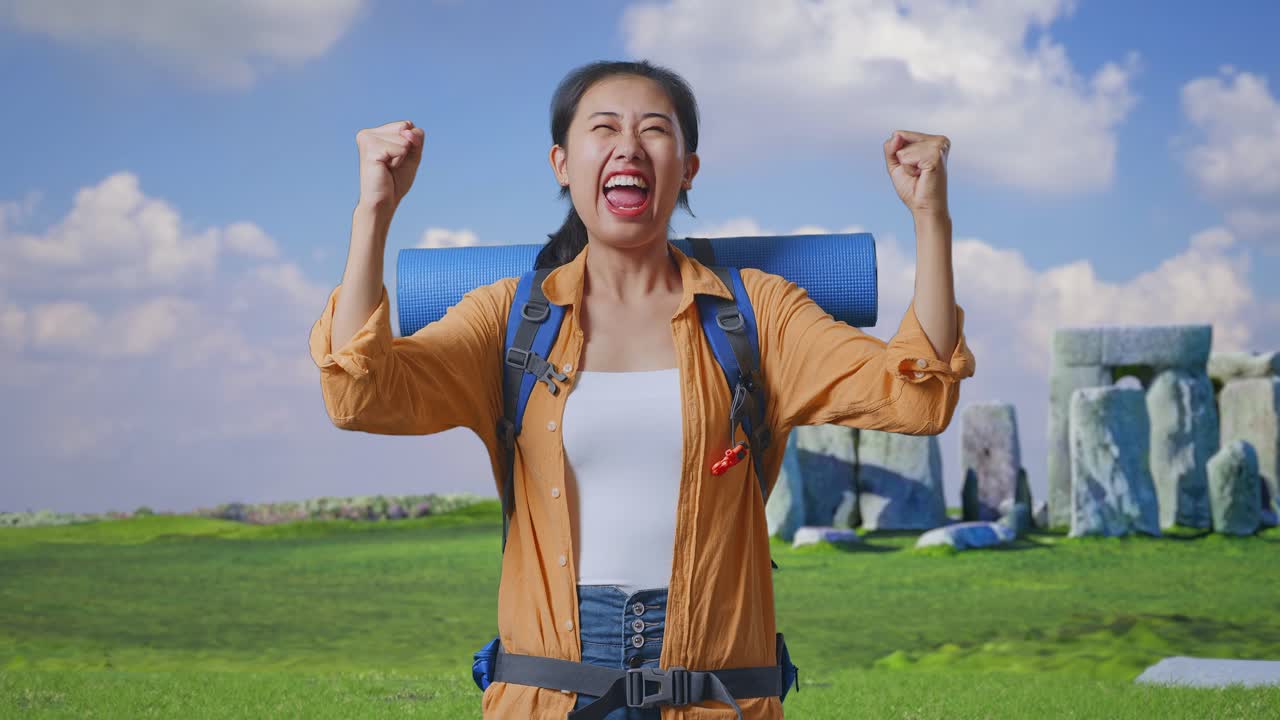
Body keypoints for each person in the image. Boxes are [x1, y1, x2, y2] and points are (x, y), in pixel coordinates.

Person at [309, 59, 976, 719]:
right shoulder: (506, 320)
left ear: (687, 168)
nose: (628, 144)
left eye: (654, 129)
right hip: (547, 695)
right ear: (562, 164)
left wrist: (931, 217)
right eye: (603, 127)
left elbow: (914, 396)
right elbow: (362, 395)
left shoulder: (756, 315)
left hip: (717, 695)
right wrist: (375, 210)